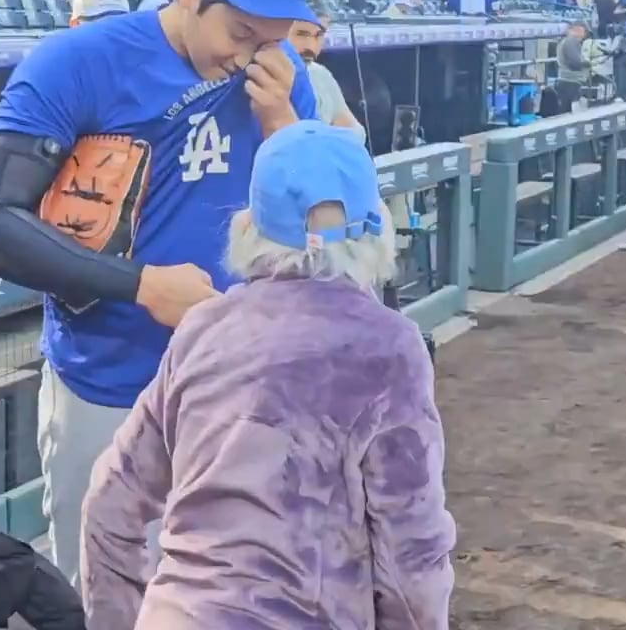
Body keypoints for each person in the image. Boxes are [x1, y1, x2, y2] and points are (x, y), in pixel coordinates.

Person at [0, 0, 320, 588]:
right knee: (106, 594)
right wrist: (140, 284)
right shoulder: (82, 60)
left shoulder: (282, 75)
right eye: (240, 30)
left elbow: (318, 225)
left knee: (232, 591)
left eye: (272, 37)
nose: (251, 54)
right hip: (108, 383)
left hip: (237, 385)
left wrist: (286, 132)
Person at [79, 120, 455, 629]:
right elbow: (411, 553)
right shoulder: (389, 345)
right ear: (375, 226)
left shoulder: (203, 328)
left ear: (251, 225)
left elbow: (109, 502)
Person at [286, 0, 364, 141]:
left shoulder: (320, 75)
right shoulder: (262, 77)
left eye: (318, 35)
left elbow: (355, 131)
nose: (310, 46)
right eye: (301, 34)